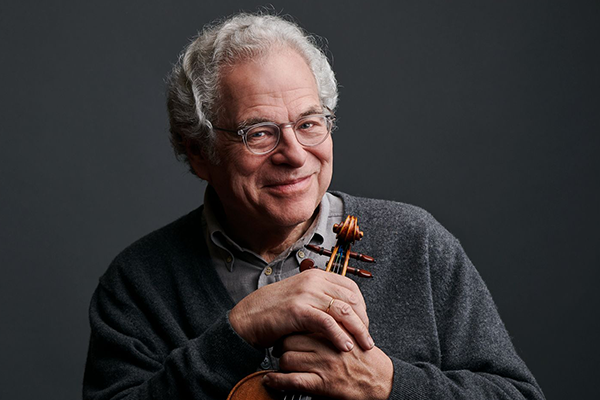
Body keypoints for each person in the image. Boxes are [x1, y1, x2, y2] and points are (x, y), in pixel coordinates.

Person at [83, 12, 544, 400]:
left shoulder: (416, 242)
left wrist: (390, 384)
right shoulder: (137, 281)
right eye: (259, 133)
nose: (295, 154)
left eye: (309, 123)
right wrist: (237, 333)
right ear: (200, 153)